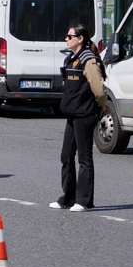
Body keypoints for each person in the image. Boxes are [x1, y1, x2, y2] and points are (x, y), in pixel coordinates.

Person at [50, 24, 107, 212]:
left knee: (84, 158)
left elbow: (98, 88)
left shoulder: (88, 60)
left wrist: (101, 107)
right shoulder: (71, 59)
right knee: (66, 156)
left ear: (80, 38)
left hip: (85, 113)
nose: (66, 39)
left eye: (69, 36)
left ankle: (84, 201)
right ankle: (68, 197)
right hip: (73, 113)